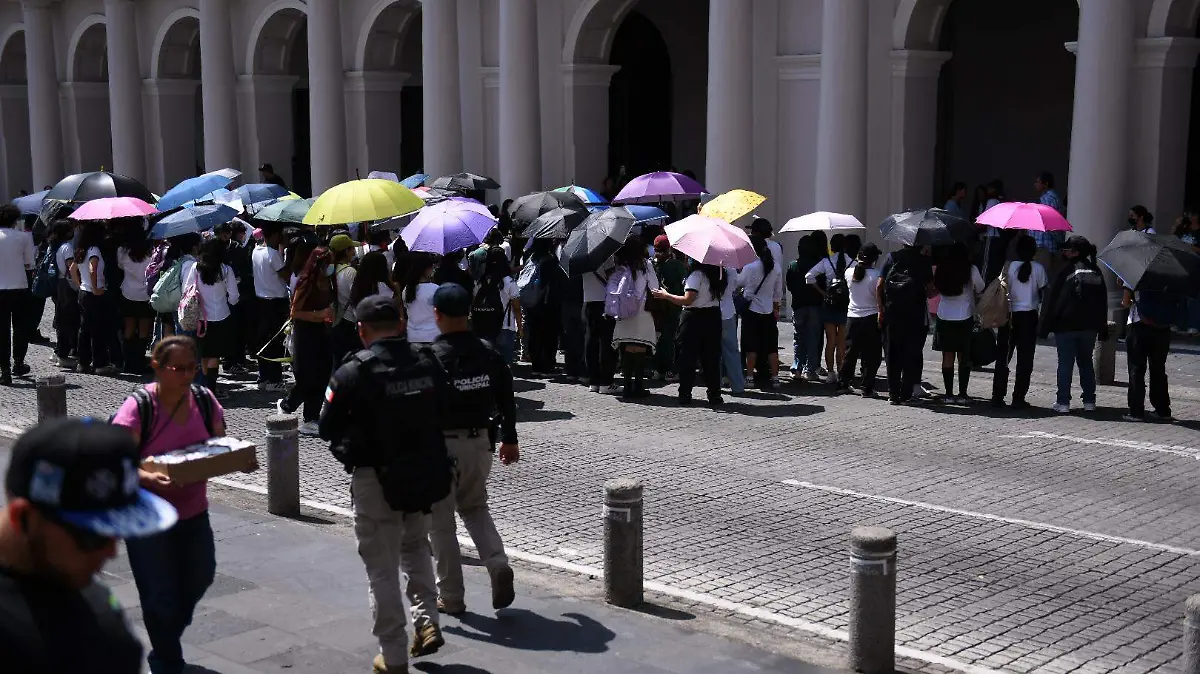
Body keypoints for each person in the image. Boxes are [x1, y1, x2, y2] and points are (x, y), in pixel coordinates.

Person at [319, 295, 452, 672]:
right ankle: (427, 619)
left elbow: (326, 425)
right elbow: (445, 409)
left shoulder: (354, 370)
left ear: (361, 330)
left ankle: (392, 655)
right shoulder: (428, 361)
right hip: (422, 475)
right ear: (402, 325)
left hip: (375, 479)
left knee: (381, 567)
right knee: (416, 546)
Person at [0, 418, 180, 673]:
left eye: (117, 533)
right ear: (23, 518)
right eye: (92, 537)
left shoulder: (104, 624)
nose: (111, 552)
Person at [112, 336, 234, 674]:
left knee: (200, 576)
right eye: (177, 368)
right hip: (146, 517)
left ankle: (166, 634)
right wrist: (148, 477)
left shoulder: (204, 400)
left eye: (191, 368)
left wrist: (235, 458)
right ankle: (166, 660)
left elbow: (219, 444)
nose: (186, 375)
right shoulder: (139, 407)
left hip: (193, 511)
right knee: (157, 592)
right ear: (157, 367)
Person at [427, 283, 520, 617]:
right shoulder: (487, 352)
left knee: (441, 524)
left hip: (440, 447)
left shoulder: (431, 357)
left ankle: (451, 596)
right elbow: (507, 397)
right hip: (480, 442)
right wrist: (510, 439)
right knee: (475, 507)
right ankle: (497, 563)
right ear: (468, 313)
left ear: (436, 314)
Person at [1038, 235, 1108, 414]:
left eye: (1067, 249)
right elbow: (1103, 302)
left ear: (1075, 252)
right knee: (1086, 362)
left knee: (1065, 364)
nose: (1064, 252)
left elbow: (1052, 301)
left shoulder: (1065, 271)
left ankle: (1063, 402)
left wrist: (1045, 327)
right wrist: (1102, 329)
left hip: (1066, 326)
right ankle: (1089, 401)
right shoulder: (1095, 271)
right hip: (1089, 327)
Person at [278, 247, 335, 436]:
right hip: (306, 335)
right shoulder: (306, 282)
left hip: (323, 334)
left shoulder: (328, 281)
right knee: (308, 377)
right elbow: (295, 313)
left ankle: (312, 417)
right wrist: (319, 315)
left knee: (323, 376)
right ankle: (289, 405)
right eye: (328, 263)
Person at [651, 262, 726, 406]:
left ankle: (685, 394)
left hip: (693, 318)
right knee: (711, 358)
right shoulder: (720, 275)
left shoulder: (696, 275)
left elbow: (687, 300)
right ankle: (714, 394)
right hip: (713, 317)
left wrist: (666, 295)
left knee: (687, 357)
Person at [991, 235, 1046, 410]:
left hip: (1009, 316)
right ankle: (1018, 397)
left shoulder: (1009, 267)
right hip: (1029, 317)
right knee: (1025, 359)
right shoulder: (1039, 269)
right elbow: (1044, 292)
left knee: (1003, 357)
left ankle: (997, 396)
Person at [183, 237, 240, 397]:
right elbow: (234, 296)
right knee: (215, 355)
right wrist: (230, 302)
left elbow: (187, 289)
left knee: (205, 354)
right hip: (221, 315)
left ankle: (204, 387)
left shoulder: (195, 267)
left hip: (201, 317)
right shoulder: (226, 270)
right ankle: (211, 388)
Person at [879, 244, 933, 405]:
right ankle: (906, 395)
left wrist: (880, 309)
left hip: (892, 312)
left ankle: (893, 394)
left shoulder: (892, 257)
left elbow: (879, 285)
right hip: (915, 314)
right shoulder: (924, 261)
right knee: (911, 353)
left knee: (892, 352)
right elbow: (930, 290)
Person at [932, 244, 985, 403]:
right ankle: (962, 394)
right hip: (964, 316)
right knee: (963, 357)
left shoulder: (942, 268)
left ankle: (948, 395)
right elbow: (981, 288)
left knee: (947, 356)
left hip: (944, 316)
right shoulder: (970, 269)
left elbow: (935, 288)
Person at [609, 238, 661, 399]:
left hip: (623, 311)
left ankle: (627, 385)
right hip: (641, 311)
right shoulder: (646, 264)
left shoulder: (619, 264)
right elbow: (654, 287)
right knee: (640, 346)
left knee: (626, 346)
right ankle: (638, 386)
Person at [1122, 284, 1174, 422]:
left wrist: (1133, 301)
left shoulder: (1135, 275)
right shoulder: (1169, 277)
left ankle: (1136, 411)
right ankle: (1162, 410)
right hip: (1163, 327)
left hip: (1139, 324)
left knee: (1136, 368)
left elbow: (1125, 302)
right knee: (1158, 368)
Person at [736, 237, 783, 390]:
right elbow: (778, 293)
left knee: (751, 346)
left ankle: (750, 378)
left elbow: (738, 282)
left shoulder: (750, 267)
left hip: (752, 310)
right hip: (768, 310)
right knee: (771, 347)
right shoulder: (776, 267)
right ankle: (775, 378)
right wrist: (776, 307)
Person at [73, 221, 117, 376]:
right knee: (98, 330)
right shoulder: (94, 250)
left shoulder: (81, 250)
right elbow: (93, 269)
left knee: (84, 329)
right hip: (94, 294)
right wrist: (95, 287)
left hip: (83, 292)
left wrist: (80, 285)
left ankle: (83, 362)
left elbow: (72, 269)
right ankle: (100, 363)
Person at [838, 243, 882, 396]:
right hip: (871, 317)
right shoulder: (876, 275)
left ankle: (843, 383)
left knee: (850, 353)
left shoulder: (848, 272)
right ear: (874, 259)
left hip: (852, 317)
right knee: (871, 355)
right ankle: (867, 387)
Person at [806, 233, 851, 384]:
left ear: (832, 246)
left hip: (829, 304)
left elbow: (809, 277)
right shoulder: (852, 262)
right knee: (842, 342)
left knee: (830, 340)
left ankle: (831, 373)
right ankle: (841, 372)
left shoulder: (826, 261)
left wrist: (823, 293)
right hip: (845, 304)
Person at [251, 225, 291, 391]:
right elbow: (286, 276)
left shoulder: (255, 251)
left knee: (263, 340)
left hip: (261, 301)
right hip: (276, 302)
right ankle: (274, 379)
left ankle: (263, 377)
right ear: (274, 235)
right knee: (275, 341)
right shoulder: (273, 255)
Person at [0, 204, 35, 384]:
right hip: (19, 286)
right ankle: (18, 362)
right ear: (15, 220)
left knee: (2, 330)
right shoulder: (24, 237)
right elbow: (30, 263)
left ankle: (4, 369)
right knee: (20, 327)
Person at [523, 239, 567, 375]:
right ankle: (547, 366)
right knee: (549, 335)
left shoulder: (530, 258)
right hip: (549, 303)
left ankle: (536, 366)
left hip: (532, 301)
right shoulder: (551, 260)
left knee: (534, 333)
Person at [471, 247, 521, 362]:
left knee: (487, 363)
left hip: (484, 326)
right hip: (506, 326)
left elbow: (474, 302)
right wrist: (520, 328)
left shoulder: (481, 281)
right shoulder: (509, 282)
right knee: (505, 363)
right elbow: (517, 308)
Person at [787, 233, 826, 382]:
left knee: (799, 338)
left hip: (798, 305)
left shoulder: (793, 265)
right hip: (815, 305)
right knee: (813, 339)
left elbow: (789, 286)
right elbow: (822, 284)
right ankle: (810, 370)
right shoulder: (819, 265)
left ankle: (797, 368)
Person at [117, 230, 154, 375]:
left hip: (128, 292)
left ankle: (127, 362)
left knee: (129, 327)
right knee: (144, 329)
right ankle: (139, 362)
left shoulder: (122, 251)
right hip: (145, 294)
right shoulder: (150, 252)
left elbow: (120, 266)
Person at [651, 236, 687, 381]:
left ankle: (655, 368)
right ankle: (668, 370)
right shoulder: (676, 265)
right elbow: (685, 285)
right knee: (669, 338)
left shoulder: (650, 264)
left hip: (654, 307)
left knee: (656, 337)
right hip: (672, 306)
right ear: (669, 249)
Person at [583, 258, 618, 392]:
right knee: (606, 342)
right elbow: (611, 277)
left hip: (588, 300)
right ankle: (606, 382)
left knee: (591, 341)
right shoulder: (606, 256)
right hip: (604, 301)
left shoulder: (582, 258)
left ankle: (594, 381)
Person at [51, 219, 80, 369]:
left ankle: (59, 352)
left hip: (58, 284)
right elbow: (71, 268)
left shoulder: (53, 246)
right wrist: (78, 285)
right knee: (68, 320)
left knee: (61, 318)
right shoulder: (67, 247)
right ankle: (63, 354)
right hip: (67, 286)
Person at [329, 233, 361, 365]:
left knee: (338, 362)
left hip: (334, 321)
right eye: (352, 248)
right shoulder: (350, 272)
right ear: (346, 251)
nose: (354, 251)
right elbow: (356, 299)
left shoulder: (329, 270)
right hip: (349, 323)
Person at [1032, 172, 1066, 277]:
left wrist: (1060, 241)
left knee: (1041, 278)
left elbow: (1050, 224)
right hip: (1043, 247)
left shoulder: (1049, 199)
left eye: (1038, 182)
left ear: (1046, 184)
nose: (1035, 184)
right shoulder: (1047, 198)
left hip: (1044, 247)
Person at [403, 253, 440, 345]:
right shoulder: (435, 289)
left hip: (413, 336)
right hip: (433, 335)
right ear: (427, 269)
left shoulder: (407, 289)